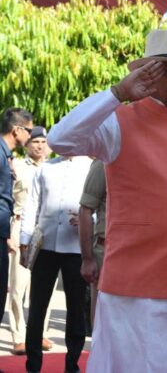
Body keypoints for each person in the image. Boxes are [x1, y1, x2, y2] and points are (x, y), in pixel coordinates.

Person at [47, 29, 167, 372]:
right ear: (147, 73)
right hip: (132, 293)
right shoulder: (117, 123)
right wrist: (118, 93)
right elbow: (60, 140)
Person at [19, 154, 93, 373]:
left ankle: (73, 364)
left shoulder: (90, 167)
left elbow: (102, 205)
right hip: (45, 247)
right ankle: (33, 365)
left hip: (76, 248)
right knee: (36, 308)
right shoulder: (45, 168)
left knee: (76, 309)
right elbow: (31, 205)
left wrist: (89, 221)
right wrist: (25, 241)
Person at [10, 126, 54, 355]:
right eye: (35, 141)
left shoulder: (55, 167)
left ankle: (41, 333)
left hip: (45, 229)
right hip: (19, 225)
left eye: (44, 141)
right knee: (18, 285)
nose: (39, 145)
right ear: (27, 144)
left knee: (44, 283)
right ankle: (19, 335)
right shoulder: (16, 165)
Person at [1, 107, 34, 348]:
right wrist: (5, 235)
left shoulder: (6, 155)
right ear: (17, 130)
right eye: (30, 131)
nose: (31, 138)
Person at [78, 159, 106, 338]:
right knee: (102, 327)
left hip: (142, 255)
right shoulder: (103, 163)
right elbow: (86, 210)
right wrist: (87, 259)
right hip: (107, 252)